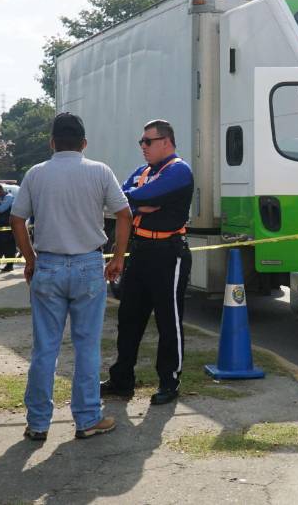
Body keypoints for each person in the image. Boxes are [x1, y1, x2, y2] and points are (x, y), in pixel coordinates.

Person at [11, 112, 132, 440]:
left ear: (52, 142)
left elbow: (17, 219)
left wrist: (30, 258)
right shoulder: (99, 171)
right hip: (88, 266)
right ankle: (87, 418)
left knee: (45, 349)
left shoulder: (36, 174)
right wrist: (117, 257)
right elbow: (124, 214)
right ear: (84, 143)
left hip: (48, 266)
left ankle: (37, 423)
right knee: (87, 346)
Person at [102, 119, 194, 406]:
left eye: (147, 141)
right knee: (129, 318)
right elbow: (120, 197)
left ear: (166, 141)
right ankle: (122, 378)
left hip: (168, 252)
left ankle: (169, 380)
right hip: (140, 251)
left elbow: (135, 197)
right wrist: (139, 205)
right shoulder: (143, 171)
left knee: (169, 321)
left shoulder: (178, 170)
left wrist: (135, 204)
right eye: (141, 142)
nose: (142, 146)